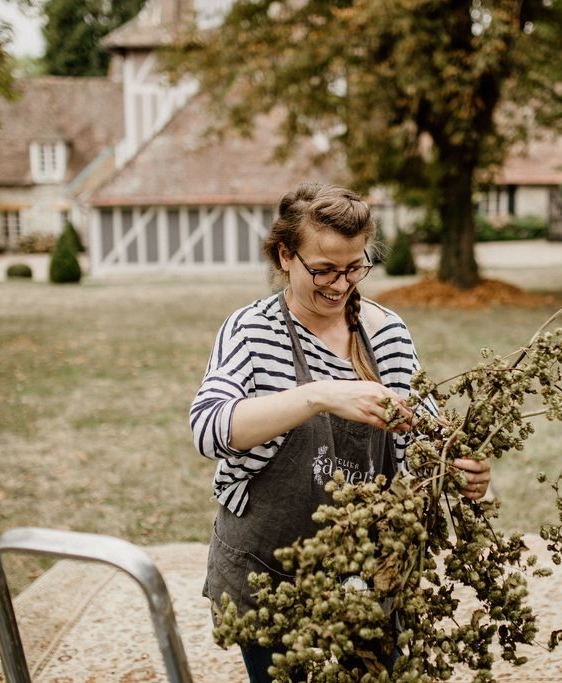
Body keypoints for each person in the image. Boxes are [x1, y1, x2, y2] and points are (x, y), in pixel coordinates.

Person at [189, 182, 491, 682]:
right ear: (285, 256)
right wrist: (320, 395)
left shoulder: (386, 331)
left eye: (355, 267)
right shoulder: (249, 330)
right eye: (323, 269)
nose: (340, 283)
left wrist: (461, 469)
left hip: (369, 566)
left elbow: (422, 436)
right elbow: (208, 428)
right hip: (268, 570)